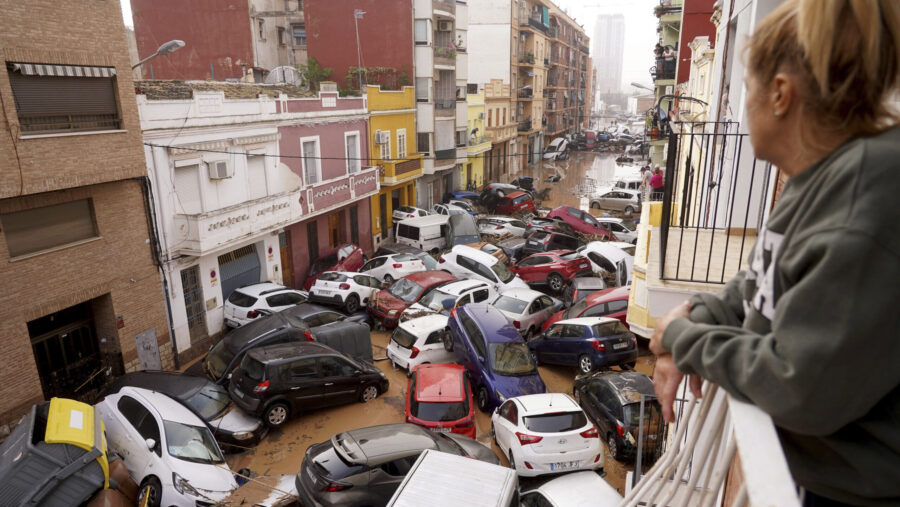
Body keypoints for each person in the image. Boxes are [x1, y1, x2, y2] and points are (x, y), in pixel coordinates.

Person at [649, 0, 900, 505]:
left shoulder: (866, 197)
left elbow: (800, 388)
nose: (742, 107)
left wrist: (682, 336)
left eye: (746, 90)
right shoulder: (821, 178)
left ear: (780, 94)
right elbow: (759, 279)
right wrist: (700, 312)